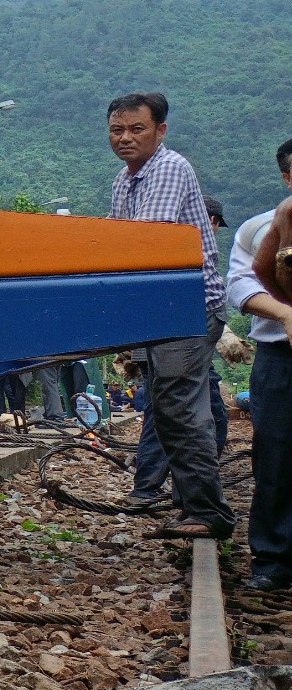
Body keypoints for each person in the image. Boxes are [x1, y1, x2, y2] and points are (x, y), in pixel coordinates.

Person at [105, 92, 230, 537]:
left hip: (188, 307)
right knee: (168, 407)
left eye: (137, 129)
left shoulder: (170, 168)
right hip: (163, 310)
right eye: (117, 130)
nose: (125, 138)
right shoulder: (125, 179)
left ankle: (208, 514)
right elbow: (115, 240)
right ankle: (192, 504)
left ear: (160, 131)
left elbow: (143, 241)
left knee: (178, 408)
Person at [131, 188, 233, 496]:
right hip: (181, 340)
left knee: (162, 410)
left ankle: (153, 486)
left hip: (159, 340)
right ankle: (189, 490)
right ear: (211, 220)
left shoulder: (164, 245)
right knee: (196, 413)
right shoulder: (190, 247)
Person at [229, 139, 292, 589]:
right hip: (279, 355)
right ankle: (273, 560)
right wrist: (285, 313)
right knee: (276, 455)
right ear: (287, 177)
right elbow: (240, 285)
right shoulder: (258, 229)